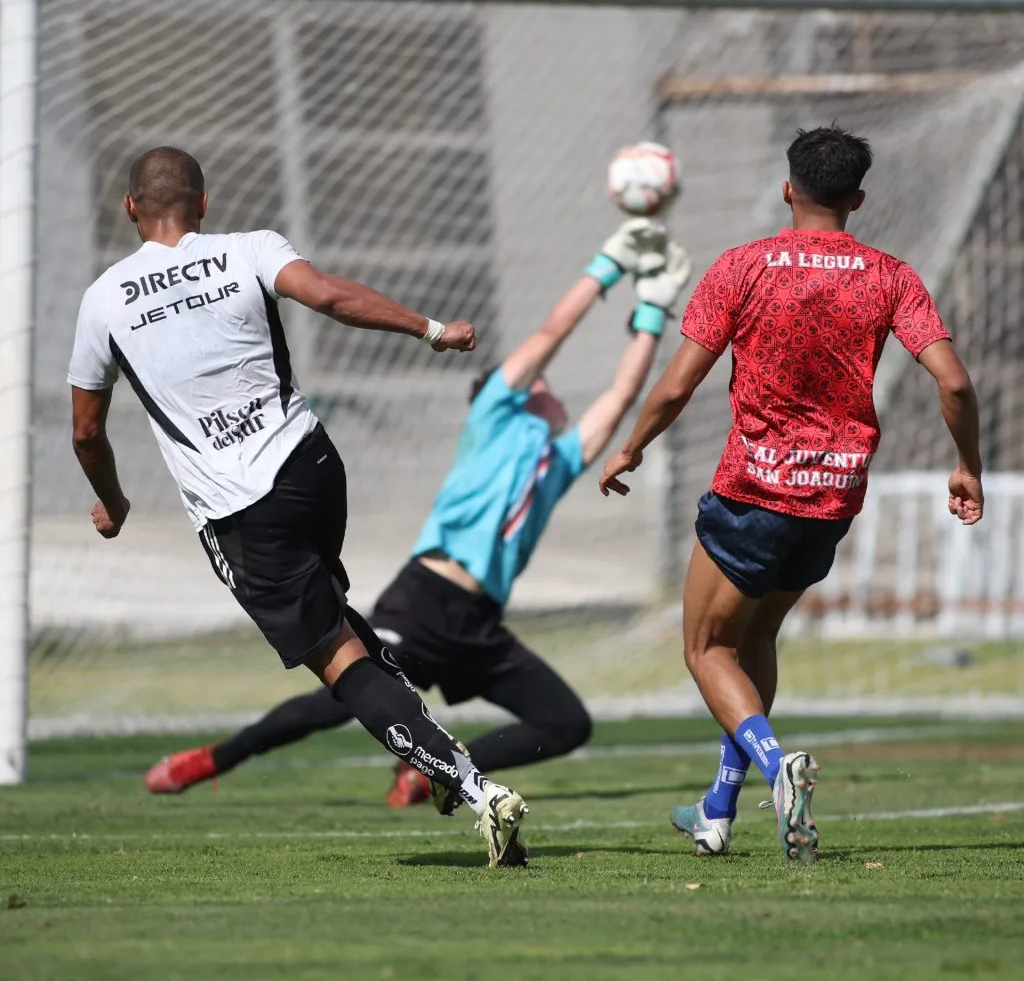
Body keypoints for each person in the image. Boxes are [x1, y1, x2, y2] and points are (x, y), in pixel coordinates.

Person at [69, 146, 535, 867]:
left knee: (338, 660)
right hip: (311, 468)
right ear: (204, 202)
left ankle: (477, 790)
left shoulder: (104, 299)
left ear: (130, 207)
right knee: (338, 622)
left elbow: (86, 432)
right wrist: (430, 329)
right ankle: (439, 754)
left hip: (240, 511)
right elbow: (327, 296)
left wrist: (115, 503)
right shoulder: (250, 250)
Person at [144, 215, 693, 805]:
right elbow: (552, 331)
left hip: (479, 622)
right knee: (340, 693)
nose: (547, 385)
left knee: (566, 723)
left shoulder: (555, 461)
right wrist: (607, 267)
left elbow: (621, 397)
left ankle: (438, 771)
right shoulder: (494, 415)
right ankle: (217, 757)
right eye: (537, 382)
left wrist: (654, 310)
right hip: (426, 601)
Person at [599, 125, 984, 863]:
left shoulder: (743, 266)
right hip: (832, 498)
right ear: (857, 199)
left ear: (788, 189)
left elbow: (677, 384)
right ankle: (717, 810)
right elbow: (956, 382)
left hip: (754, 492)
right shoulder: (890, 276)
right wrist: (967, 465)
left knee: (707, 648)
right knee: (756, 640)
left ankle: (779, 768)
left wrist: (631, 446)